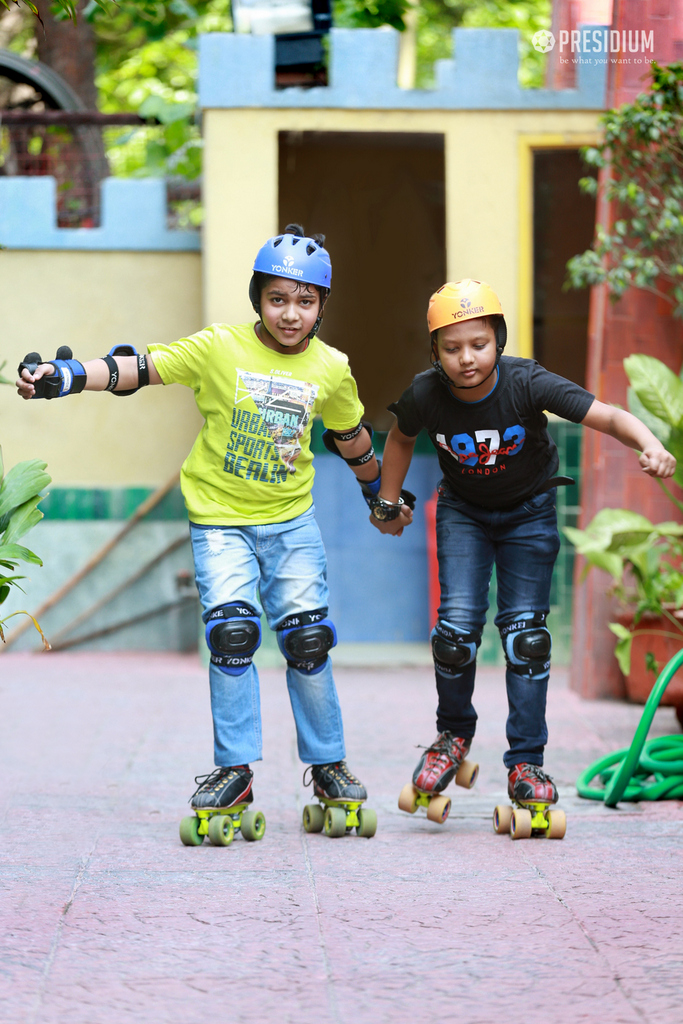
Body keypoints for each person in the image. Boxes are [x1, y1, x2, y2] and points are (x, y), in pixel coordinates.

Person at [17, 224, 382, 821]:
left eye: (306, 301)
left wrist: (379, 495)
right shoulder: (220, 348)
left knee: (307, 640)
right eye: (278, 298)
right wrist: (67, 377)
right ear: (257, 298)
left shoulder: (331, 367)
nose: (291, 314)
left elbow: (350, 434)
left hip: (291, 524)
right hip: (220, 523)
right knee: (232, 637)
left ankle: (329, 764)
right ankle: (235, 771)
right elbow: (142, 367)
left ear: (322, 305)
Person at [368, 278, 676, 809]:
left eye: (479, 344)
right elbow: (399, 437)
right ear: (436, 352)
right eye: (452, 347)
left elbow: (605, 415)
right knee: (455, 633)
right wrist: (388, 502)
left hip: (528, 513)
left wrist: (650, 443)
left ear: (499, 340)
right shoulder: (425, 393)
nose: (467, 358)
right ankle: (452, 735)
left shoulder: (525, 383)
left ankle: (526, 763)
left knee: (525, 639)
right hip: (464, 512)